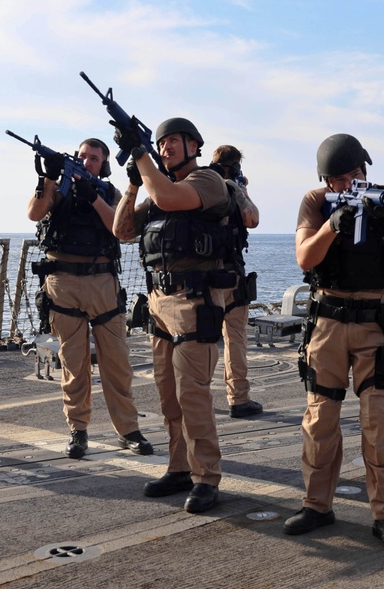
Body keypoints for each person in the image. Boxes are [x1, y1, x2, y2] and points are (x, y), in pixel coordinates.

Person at [288, 134, 384, 552]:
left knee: (378, 423)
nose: (348, 184)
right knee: (320, 419)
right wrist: (332, 223)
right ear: (326, 180)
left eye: (355, 175)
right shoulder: (314, 201)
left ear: (367, 170)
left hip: (374, 323)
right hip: (327, 321)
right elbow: (305, 257)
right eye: (338, 180)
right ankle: (317, 505)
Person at [111, 117, 234, 514]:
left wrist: (140, 151)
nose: (166, 147)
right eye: (161, 143)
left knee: (192, 394)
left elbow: (167, 197)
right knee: (168, 394)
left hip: (194, 300)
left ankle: (206, 477)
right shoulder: (156, 188)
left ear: (195, 145)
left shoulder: (207, 182)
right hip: (160, 302)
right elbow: (122, 230)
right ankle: (179, 467)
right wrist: (132, 182)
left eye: (174, 141)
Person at [27, 138, 153, 460]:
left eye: (94, 158)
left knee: (116, 362)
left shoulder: (109, 192)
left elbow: (119, 227)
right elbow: (33, 212)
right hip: (63, 282)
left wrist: (93, 197)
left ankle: (128, 429)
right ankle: (78, 430)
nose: (86, 162)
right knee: (74, 363)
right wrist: (48, 178)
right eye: (82, 156)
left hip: (101, 283)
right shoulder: (58, 188)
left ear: (104, 165)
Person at [210, 145, 263, 418]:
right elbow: (252, 219)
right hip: (230, 276)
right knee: (235, 339)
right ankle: (238, 398)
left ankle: (194, 397)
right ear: (235, 166)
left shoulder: (197, 183)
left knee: (199, 342)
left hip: (202, 276)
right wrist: (243, 188)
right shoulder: (232, 186)